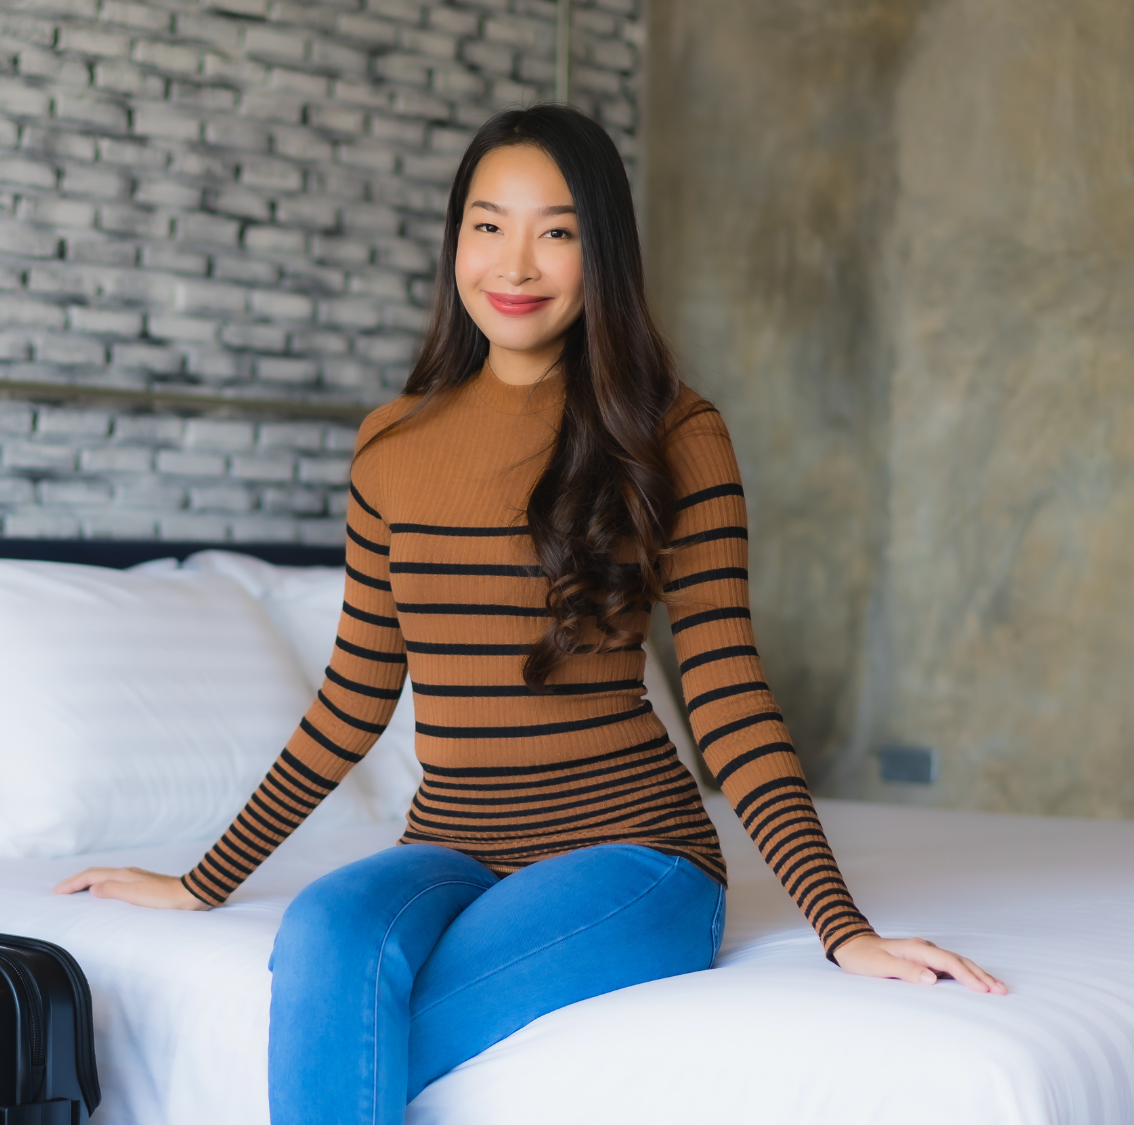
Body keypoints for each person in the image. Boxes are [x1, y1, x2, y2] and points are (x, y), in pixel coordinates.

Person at [55, 104, 1007, 1124]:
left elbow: (726, 697)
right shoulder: (390, 445)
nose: (513, 263)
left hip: (634, 857)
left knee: (365, 1026)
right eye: (486, 224)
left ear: (601, 253)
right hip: (448, 849)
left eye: (555, 231)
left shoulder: (674, 433)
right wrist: (202, 884)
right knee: (325, 933)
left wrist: (840, 926)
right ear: (453, 239)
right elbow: (351, 698)